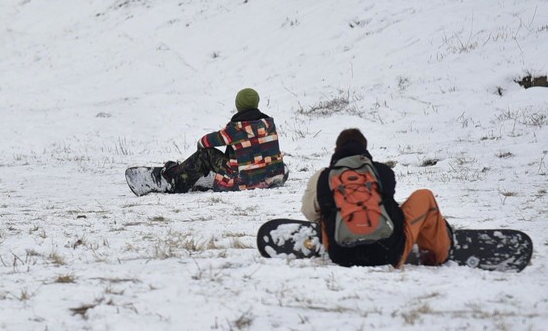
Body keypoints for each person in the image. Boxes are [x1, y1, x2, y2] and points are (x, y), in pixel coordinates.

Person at [301, 128, 453, 267]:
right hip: (389, 254)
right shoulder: (382, 171)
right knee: (424, 196)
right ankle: (437, 255)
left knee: (324, 213)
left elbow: (310, 213)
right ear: (364, 149)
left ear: (336, 149)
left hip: (341, 256)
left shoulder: (323, 177)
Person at [159, 88, 287, 193]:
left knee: (206, 154)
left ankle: (175, 180)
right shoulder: (269, 124)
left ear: (239, 105)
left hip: (242, 183)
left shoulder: (235, 129)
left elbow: (203, 142)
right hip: (273, 177)